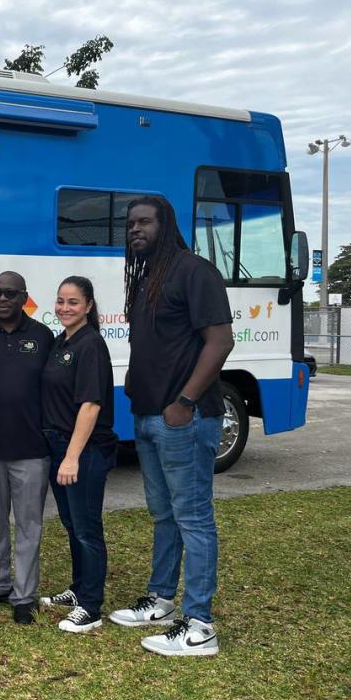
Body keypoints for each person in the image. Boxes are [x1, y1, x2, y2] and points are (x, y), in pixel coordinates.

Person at [108, 196, 234, 657]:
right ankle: (161, 599)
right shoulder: (146, 278)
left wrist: (185, 401)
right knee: (164, 515)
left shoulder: (194, 271)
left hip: (184, 419)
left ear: (166, 224)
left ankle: (200, 625)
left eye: (144, 222)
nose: (134, 230)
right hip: (147, 417)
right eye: (130, 224)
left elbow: (220, 341)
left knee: (194, 518)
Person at [38, 276, 118, 633]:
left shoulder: (91, 345)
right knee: (72, 524)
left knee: (87, 528)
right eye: (60, 301)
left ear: (88, 306)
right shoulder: (61, 342)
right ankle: (79, 588)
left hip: (83, 451)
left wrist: (72, 457)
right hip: (58, 445)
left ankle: (91, 607)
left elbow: (90, 405)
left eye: (73, 302)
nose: (64, 308)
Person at [0, 271, 54, 625]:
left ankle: (24, 595)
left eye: (10, 293)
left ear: (24, 297)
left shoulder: (42, 336)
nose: (2, 299)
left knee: (28, 525)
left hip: (31, 448)